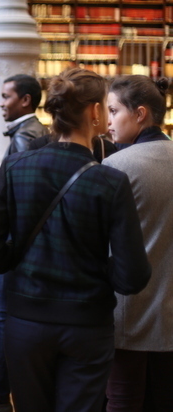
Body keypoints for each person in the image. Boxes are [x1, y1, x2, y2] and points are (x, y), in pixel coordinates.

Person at [0, 68, 151, 412]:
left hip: (26, 319)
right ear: (95, 112)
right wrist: (98, 268)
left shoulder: (16, 167)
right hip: (87, 323)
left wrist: (19, 258)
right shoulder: (110, 181)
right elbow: (133, 276)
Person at [102, 75, 173, 412]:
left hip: (127, 307)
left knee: (124, 399)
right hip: (170, 307)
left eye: (114, 111)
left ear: (140, 113)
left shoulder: (116, 166)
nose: (107, 122)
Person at [0, 74, 49, 412]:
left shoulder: (25, 136)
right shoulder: (30, 132)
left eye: (6, 96)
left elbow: (20, 197)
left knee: (5, 320)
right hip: (23, 245)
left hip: (13, 245)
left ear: (25, 100)